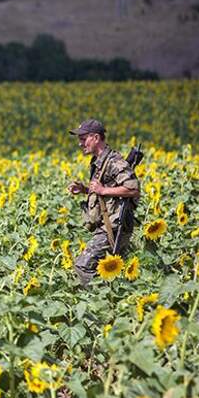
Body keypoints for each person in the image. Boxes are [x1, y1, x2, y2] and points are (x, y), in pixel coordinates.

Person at [67, 119, 140, 286]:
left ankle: (95, 300)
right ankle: (112, 300)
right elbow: (108, 189)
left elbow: (133, 189)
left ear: (96, 138)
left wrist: (102, 190)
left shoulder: (113, 161)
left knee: (82, 266)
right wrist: (85, 189)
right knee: (116, 275)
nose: (80, 144)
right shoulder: (100, 161)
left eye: (83, 139)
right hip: (108, 225)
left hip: (115, 226)